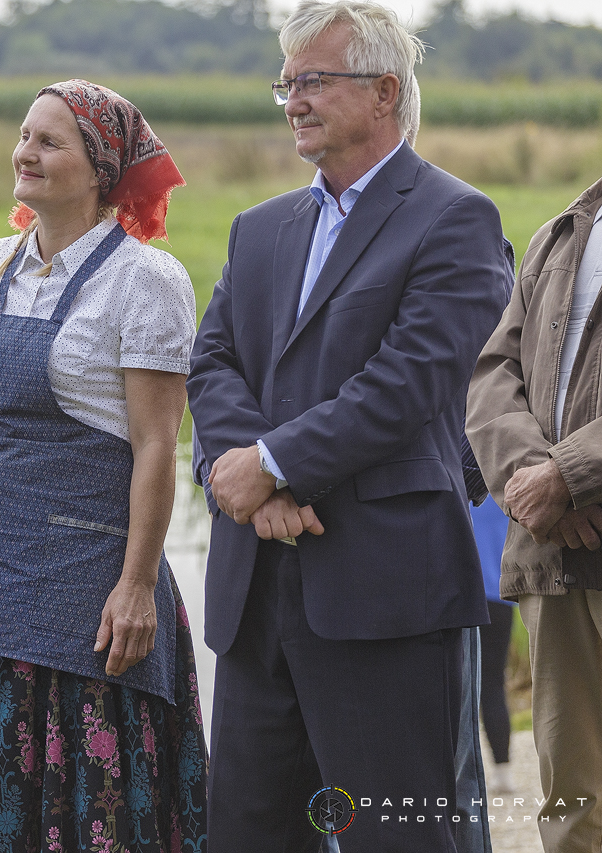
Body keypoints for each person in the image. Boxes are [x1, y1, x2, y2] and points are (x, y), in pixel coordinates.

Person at [185, 0, 511, 849]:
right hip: (257, 593)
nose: (293, 99)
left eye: (314, 81)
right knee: (252, 834)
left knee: (397, 837)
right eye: (285, 84)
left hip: (385, 592)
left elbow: (411, 383)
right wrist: (248, 475)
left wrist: (277, 461)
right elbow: (212, 360)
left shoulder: (454, 218)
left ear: (383, 92)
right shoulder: (258, 230)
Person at [0, 80, 207, 852]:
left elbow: (156, 445)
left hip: (92, 587)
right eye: (23, 135)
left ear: (101, 168)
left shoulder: (144, 280)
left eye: (50, 141)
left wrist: (137, 583)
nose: (25, 152)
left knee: (91, 809)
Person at [466, 174, 602, 852]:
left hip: (573, 513)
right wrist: (530, 476)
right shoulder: (559, 233)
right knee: (572, 801)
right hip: (553, 555)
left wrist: (571, 474)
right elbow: (492, 374)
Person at [469, 497, 517, 795]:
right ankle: (503, 770)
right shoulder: (503, 491)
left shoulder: (458, 481)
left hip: (462, 594)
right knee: (493, 684)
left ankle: (464, 772)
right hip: (499, 594)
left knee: (458, 688)